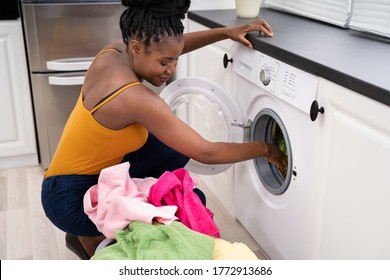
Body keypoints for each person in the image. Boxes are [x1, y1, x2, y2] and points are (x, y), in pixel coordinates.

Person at [41, 0, 287, 260]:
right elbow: (207, 153)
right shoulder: (134, 98)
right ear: (136, 47)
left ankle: (90, 231)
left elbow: (168, 44)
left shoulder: (112, 53)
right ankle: (89, 236)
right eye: (164, 63)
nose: (171, 70)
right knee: (185, 206)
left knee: (169, 148)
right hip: (68, 200)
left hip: (65, 180)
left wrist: (225, 32)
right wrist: (265, 148)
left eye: (175, 60)